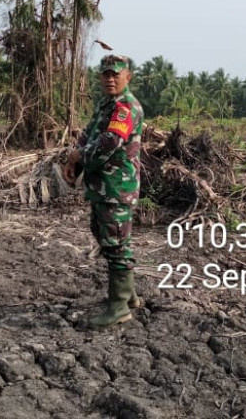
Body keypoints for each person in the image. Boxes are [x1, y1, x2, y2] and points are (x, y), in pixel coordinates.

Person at [63, 54, 144, 328]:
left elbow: (109, 143)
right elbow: (89, 134)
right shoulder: (105, 105)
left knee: (116, 243)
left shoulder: (125, 108)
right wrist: (74, 159)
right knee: (104, 235)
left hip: (117, 187)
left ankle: (119, 307)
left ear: (127, 77)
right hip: (102, 187)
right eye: (106, 74)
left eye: (116, 74)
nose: (110, 79)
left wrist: (80, 157)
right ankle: (129, 296)